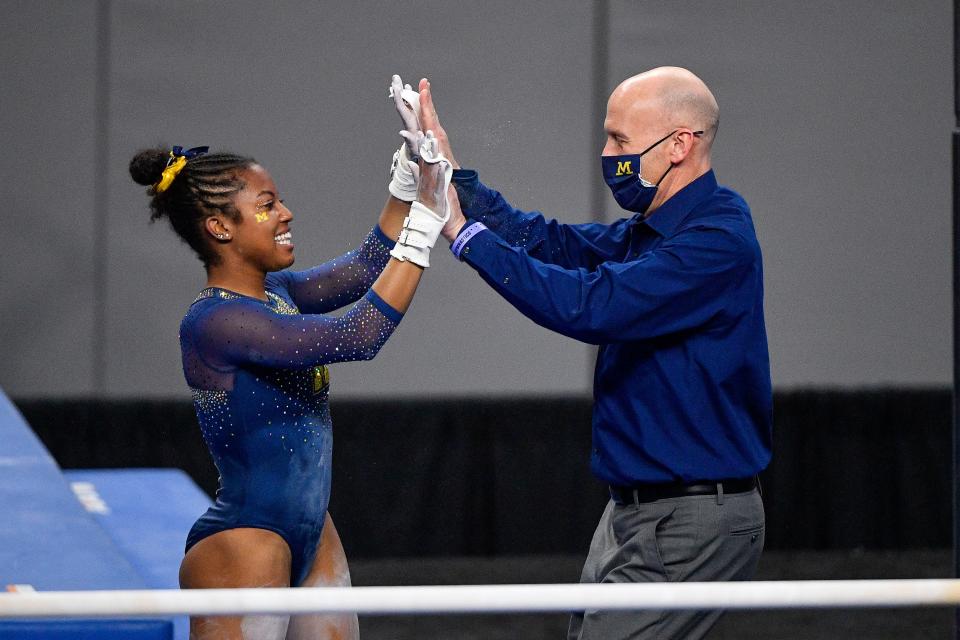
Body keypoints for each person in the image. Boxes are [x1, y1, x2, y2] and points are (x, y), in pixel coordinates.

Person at [421, 67, 772, 639]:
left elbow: (590, 306)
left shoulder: (715, 241)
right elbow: (546, 241)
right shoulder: (652, 231)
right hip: (636, 512)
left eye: (620, 141)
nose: (606, 154)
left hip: (687, 517)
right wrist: (449, 174)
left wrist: (464, 235)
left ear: (680, 144)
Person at [128, 76, 452, 640]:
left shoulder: (278, 294)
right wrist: (428, 218)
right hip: (243, 541)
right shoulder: (214, 322)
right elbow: (359, 336)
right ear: (219, 227)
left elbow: (366, 265)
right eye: (267, 204)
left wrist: (409, 173)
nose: (286, 213)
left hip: (311, 531)